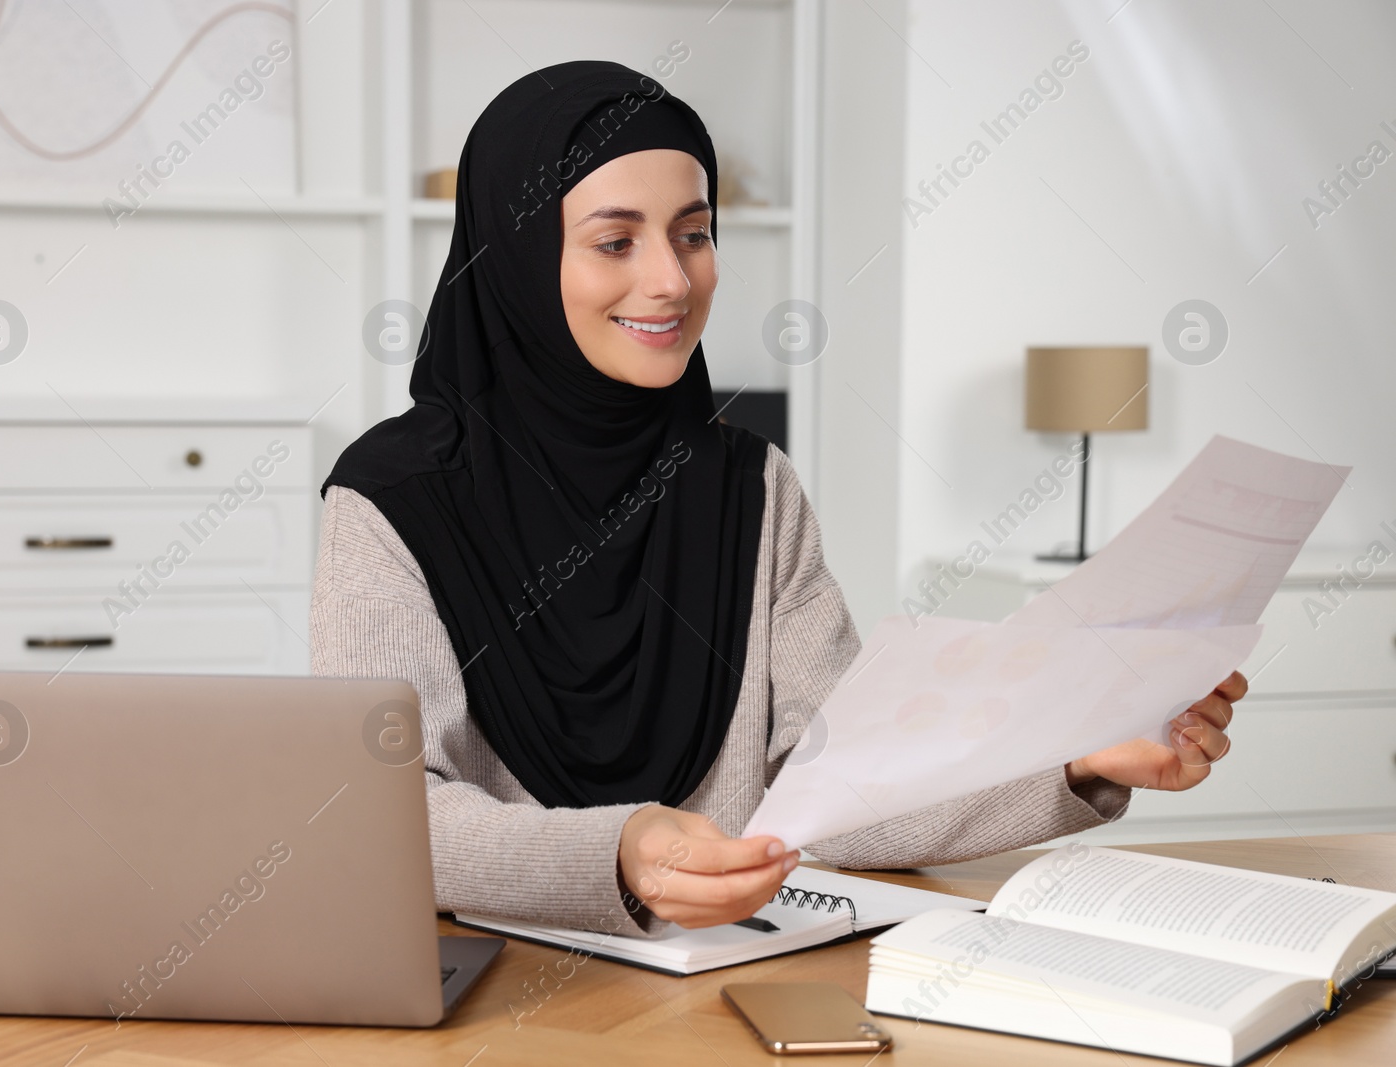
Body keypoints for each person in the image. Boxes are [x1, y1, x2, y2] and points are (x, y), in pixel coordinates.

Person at [309, 61, 1247, 937]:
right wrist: (619, 852)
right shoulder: (390, 501)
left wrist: (1078, 754)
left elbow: (836, 778)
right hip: (489, 1010)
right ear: (513, 257)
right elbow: (384, 809)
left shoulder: (750, 486)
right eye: (614, 241)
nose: (673, 280)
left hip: (724, 991)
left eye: (694, 231)